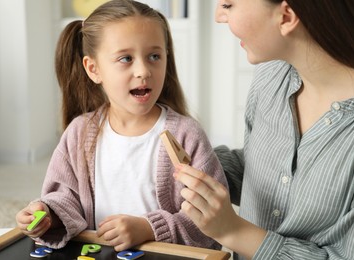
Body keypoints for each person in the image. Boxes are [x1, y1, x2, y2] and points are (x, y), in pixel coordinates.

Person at [15, 0, 227, 252]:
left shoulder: (186, 135)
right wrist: (46, 213)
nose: (143, 70)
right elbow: (65, 199)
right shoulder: (79, 133)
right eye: (126, 58)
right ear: (93, 69)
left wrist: (148, 228)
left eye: (154, 56)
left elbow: (212, 219)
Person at [173, 0, 354, 259]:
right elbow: (260, 167)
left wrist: (233, 231)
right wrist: (195, 160)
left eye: (228, 4)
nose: (218, 16)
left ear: (286, 16)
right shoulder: (270, 76)